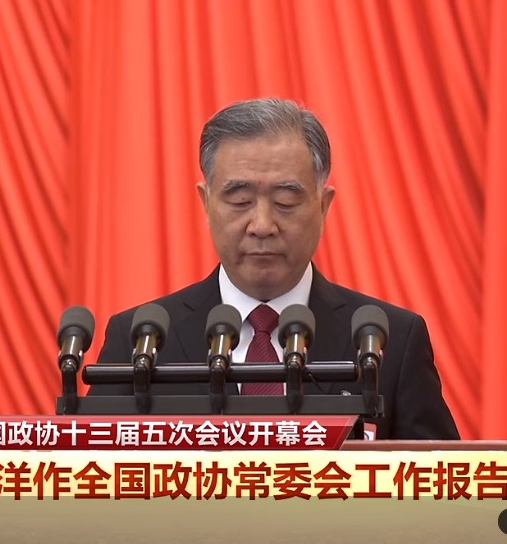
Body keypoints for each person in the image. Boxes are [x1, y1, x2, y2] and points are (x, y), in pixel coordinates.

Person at [89, 98, 460, 440]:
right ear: (206, 203)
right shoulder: (141, 341)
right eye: (240, 200)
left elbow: (443, 481)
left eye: (285, 201)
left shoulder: (390, 341)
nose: (262, 225)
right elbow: (87, 477)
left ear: (323, 206)